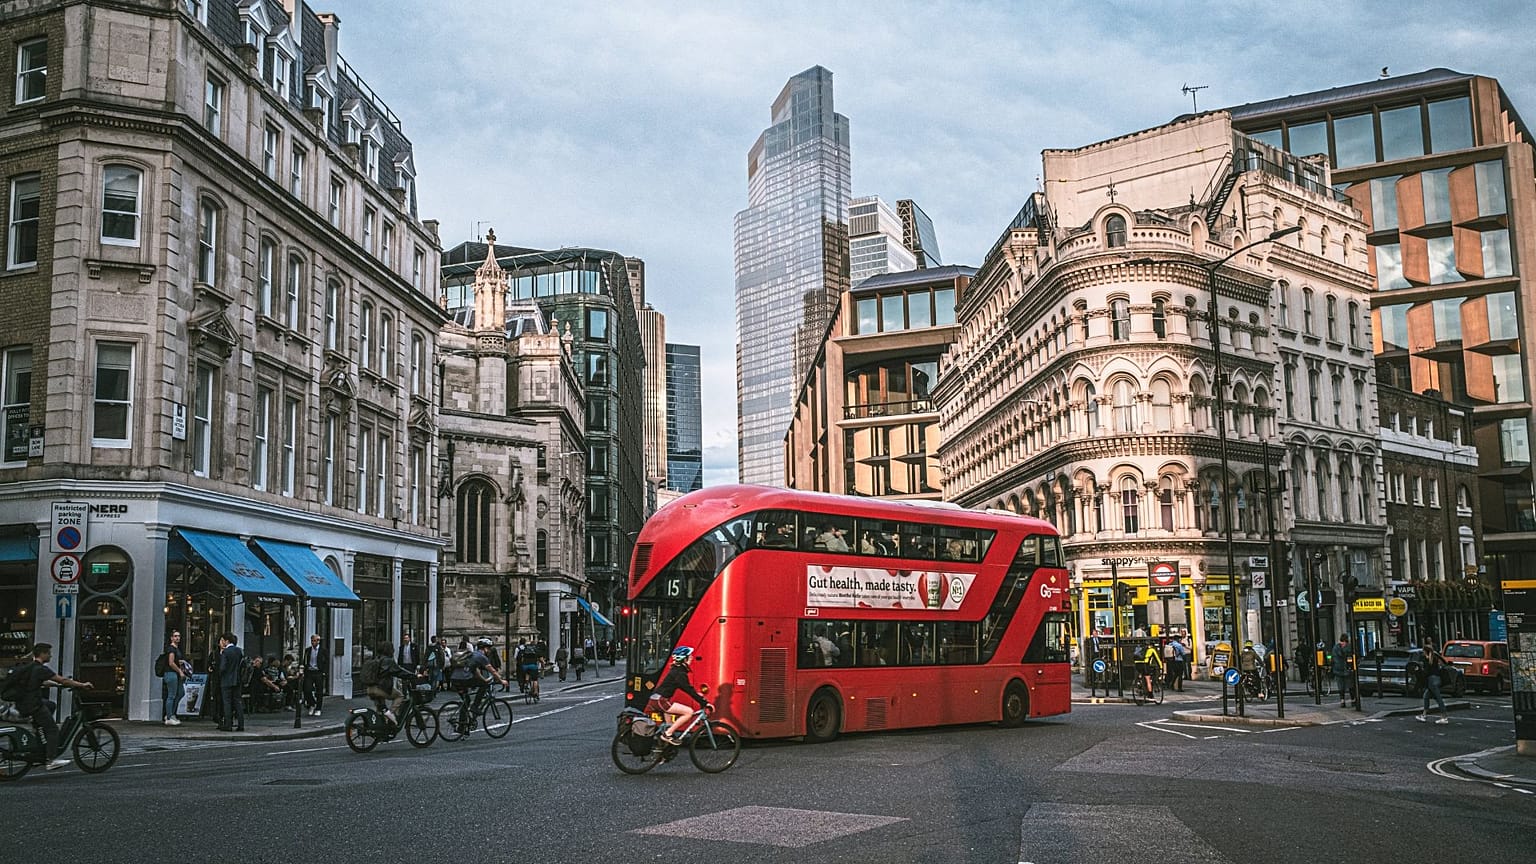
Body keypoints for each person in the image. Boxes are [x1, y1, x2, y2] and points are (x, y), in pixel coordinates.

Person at [11, 643, 93, 770]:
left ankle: (40, 734)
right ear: (43, 654)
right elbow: (63, 680)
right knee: (53, 730)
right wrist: (82, 685)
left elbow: (44, 681)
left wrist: (56, 686)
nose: (51, 655)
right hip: (34, 705)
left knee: (51, 705)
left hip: (24, 703)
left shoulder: (31, 667)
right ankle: (50, 760)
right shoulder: (41, 669)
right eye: (49, 653)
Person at [649, 646, 712, 745]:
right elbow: (688, 689)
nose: (691, 658)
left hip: (658, 699)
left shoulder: (677, 670)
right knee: (688, 712)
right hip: (661, 700)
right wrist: (705, 703)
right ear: (684, 659)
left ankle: (664, 750)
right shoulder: (679, 673)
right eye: (689, 656)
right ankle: (667, 735)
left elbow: (686, 688)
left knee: (669, 725)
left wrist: (698, 695)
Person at [1417, 642, 1451, 725]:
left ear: (1425, 651)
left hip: (1432, 680)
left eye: (1423, 651)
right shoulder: (1434, 658)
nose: (1423, 652)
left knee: (1438, 698)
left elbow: (1426, 672)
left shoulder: (1426, 659)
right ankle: (1424, 715)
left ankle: (1444, 716)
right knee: (1426, 696)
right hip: (1437, 679)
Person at [217, 632, 245, 732]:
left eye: (223, 640)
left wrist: (220, 673)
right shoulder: (239, 651)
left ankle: (228, 724)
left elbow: (222, 667)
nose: (222, 642)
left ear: (227, 641)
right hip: (237, 680)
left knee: (227, 703)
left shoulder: (226, 652)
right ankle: (241, 724)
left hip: (226, 680)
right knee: (238, 702)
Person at [162, 628, 188, 726]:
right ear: (171, 638)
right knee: (171, 695)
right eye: (175, 636)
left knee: (180, 693)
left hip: (176, 674)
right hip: (171, 673)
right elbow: (171, 663)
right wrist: (180, 671)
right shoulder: (171, 649)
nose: (177, 638)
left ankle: (171, 713)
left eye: (179, 636)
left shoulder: (176, 649)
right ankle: (169, 716)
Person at [302, 633, 325, 717]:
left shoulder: (323, 651)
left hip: (318, 672)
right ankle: (312, 704)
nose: (313, 642)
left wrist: (324, 671)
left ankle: (318, 708)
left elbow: (326, 661)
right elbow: (305, 661)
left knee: (319, 691)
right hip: (309, 672)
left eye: (315, 641)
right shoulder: (308, 650)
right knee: (307, 689)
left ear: (318, 641)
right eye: (312, 641)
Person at [1331, 636, 1355, 707]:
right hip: (1346, 669)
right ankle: (1352, 700)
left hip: (1338, 669)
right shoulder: (1349, 647)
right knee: (1350, 686)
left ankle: (1342, 701)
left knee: (1341, 687)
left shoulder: (1335, 648)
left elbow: (1332, 659)